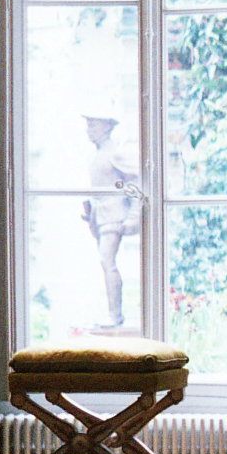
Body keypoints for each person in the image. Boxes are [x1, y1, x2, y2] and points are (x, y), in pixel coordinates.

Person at [79, 110, 141, 329]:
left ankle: (115, 315)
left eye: (93, 126)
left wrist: (134, 216)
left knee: (107, 261)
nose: (89, 131)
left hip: (114, 215)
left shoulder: (116, 153)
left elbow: (136, 183)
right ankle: (113, 314)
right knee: (105, 262)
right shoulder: (95, 155)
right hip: (99, 216)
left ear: (106, 128)